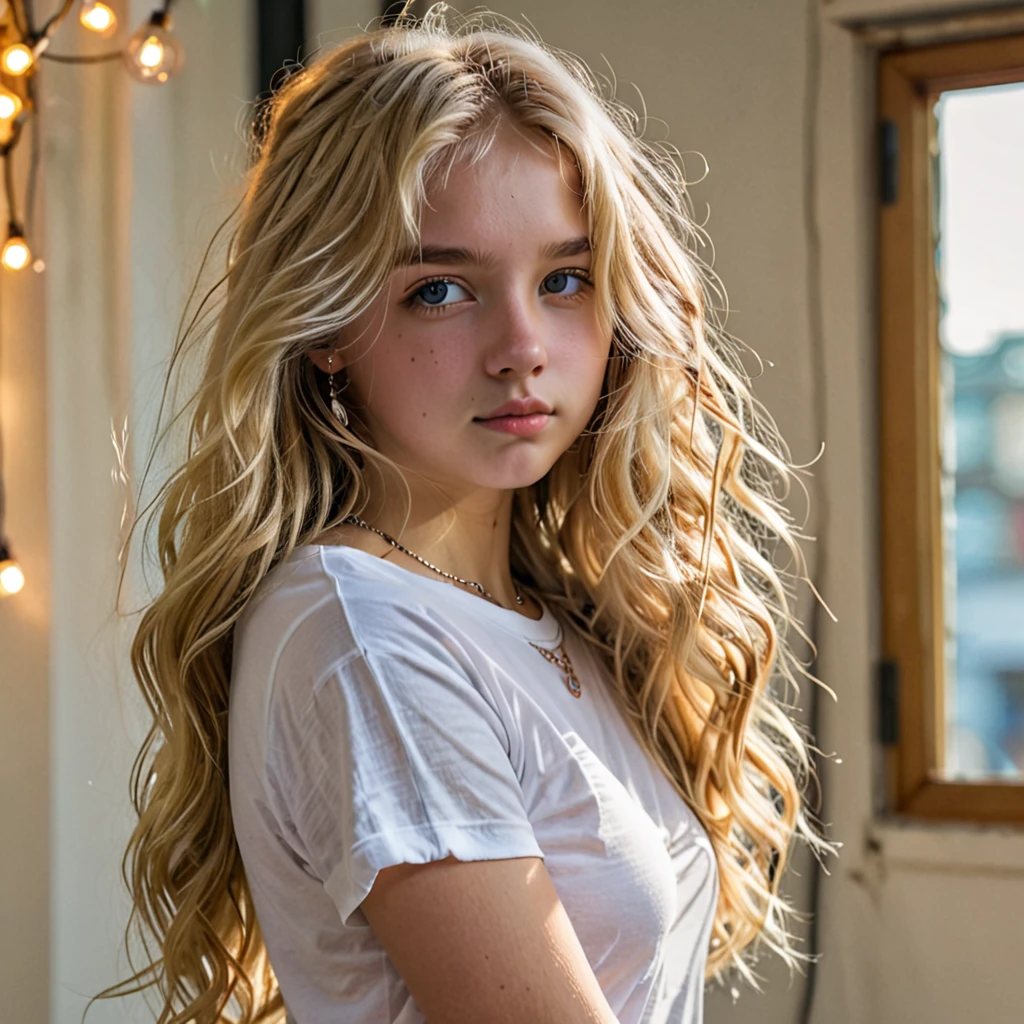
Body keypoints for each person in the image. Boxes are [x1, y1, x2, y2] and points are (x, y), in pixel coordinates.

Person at [89, 5, 838, 1023]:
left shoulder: (538, 614)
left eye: (565, 278)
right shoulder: (369, 638)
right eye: (441, 290)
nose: (522, 344)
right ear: (326, 324)